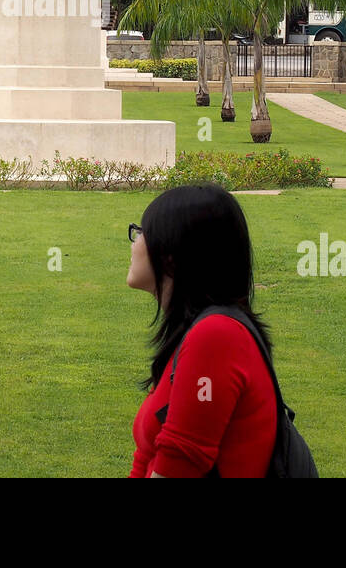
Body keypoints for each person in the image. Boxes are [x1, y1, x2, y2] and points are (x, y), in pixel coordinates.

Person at [127, 184, 278, 478]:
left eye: (143, 231)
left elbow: (178, 467)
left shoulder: (216, 337)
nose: (135, 242)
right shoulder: (194, 332)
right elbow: (147, 456)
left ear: (171, 256)